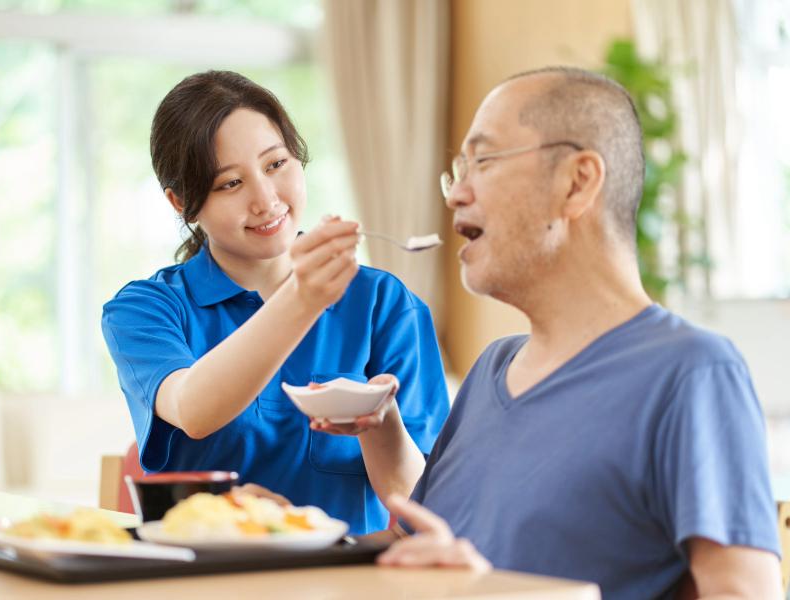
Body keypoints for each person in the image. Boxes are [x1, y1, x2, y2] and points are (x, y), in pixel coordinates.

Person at [374, 67, 783, 599]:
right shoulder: (490, 371)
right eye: (459, 168)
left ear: (577, 182)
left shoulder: (692, 373)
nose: (457, 194)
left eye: (484, 160)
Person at [101, 70, 449, 535]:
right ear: (181, 202)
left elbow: (424, 511)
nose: (266, 200)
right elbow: (193, 410)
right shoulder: (146, 309)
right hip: (203, 579)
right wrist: (302, 298)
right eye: (230, 184)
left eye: (275, 165)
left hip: (345, 582)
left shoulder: (384, 304)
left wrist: (381, 426)